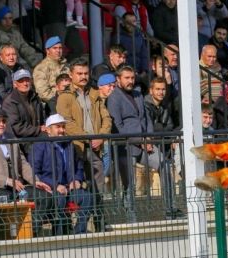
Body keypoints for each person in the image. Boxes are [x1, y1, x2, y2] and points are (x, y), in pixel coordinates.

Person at [57, 65, 114, 232]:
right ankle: (75, 227)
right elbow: (67, 122)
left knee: (98, 187)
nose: (83, 76)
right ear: (71, 74)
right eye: (79, 73)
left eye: (86, 73)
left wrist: (101, 136)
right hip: (76, 148)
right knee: (77, 187)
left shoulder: (94, 94)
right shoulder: (65, 97)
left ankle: (99, 223)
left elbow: (106, 118)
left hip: (95, 148)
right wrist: (88, 138)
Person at [106, 66, 165, 222]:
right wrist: (140, 142)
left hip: (145, 143)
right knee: (129, 181)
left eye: (132, 78)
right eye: (127, 78)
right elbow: (117, 126)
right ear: (118, 79)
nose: (130, 81)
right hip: (126, 146)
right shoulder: (114, 98)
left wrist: (149, 138)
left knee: (164, 164)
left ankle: (170, 207)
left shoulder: (138, 94)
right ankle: (130, 213)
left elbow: (146, 119)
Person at [0, 108, 46, 238]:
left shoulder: (10, 137)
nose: (2, 124)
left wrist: (35, 181)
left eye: (4, 121)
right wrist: (6, 181)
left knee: (41, 195)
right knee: (4, 197)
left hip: (17, 185)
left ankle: (31, 233)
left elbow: (23, 163)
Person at [30, 114, 93, 235]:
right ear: (48, 130)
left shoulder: (69, 145)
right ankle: (60, 235)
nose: (62, 130)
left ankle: (79, 232)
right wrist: (55, 185)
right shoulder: (39, 145)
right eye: (58, 127)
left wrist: (76, 180)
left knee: (87, 197)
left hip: (69, 188)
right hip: (49, 189)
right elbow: (34, 172)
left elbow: (79, 166)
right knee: (60, 199)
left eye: (63, 127)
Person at [144, 77, 182, 220]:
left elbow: (170, 126)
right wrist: (161, 128)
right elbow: (152, 128)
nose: (161, 92)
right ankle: (169, 209)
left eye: (163, 89)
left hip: (161, 145)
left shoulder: (164, 106)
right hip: (146, 145)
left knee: (167, 168)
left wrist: (163, 130)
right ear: (151, 90)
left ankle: (171, 207)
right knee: (165, 167)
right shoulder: (145, 105)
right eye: (158, 89)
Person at [2, 69, 46, 144]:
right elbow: (16, 128)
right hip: (22, 141)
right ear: (15, 84)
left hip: (38, 136)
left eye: (27, 80)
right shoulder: (10, 102)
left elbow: (42, 118)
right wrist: (39, 129)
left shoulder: (35, 97)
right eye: (21, 81)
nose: (25, 83)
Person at [33, 37, 67, 104]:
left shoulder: (66, 67)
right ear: (47, 50)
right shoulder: (41, 68)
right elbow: (43, 93)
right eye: (55, 48)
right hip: (53, 104)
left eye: (60, 48)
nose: (58, 51)